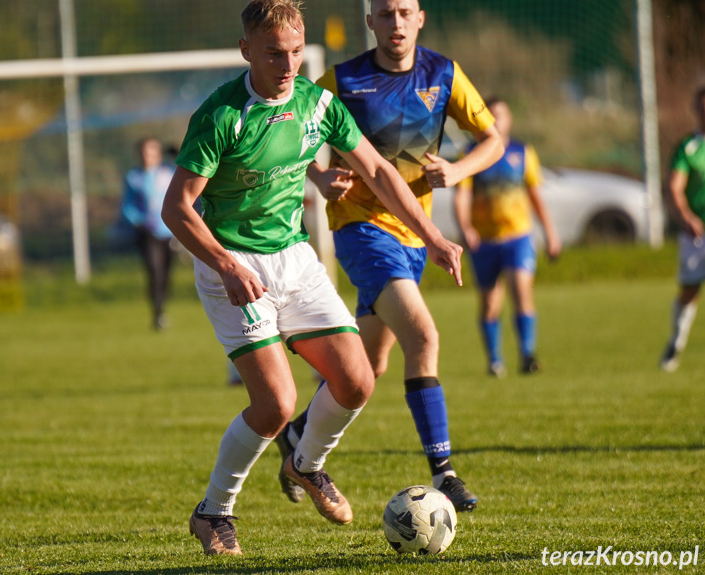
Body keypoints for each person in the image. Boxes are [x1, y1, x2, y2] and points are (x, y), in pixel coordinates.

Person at [161, 0, 463, 556]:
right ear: (246, 50)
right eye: (275, 53)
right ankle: (214, 512)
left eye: (297, 52)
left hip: (295, 259)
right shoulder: (221, 114)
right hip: (233, 265)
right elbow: (177, 208)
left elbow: (377, 170)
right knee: (276, 403)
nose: (288, 64)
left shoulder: (318, 103)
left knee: (356, 380)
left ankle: (307, 465)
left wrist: (434, 235)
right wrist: (226, 264)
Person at [275, 0, 503, 514]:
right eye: (385, 13)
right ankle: (444, 473)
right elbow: (294, 137)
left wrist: (461, 170)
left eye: (404, 12)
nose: (395, 23)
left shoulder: (443, 74)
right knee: (423, 335)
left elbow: (493, 139)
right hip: (360, 231)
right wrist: (317, 176)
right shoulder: (342, 79)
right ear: (370, 22)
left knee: (370, 366)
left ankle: (295, 439)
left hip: (414, 238)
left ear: (420, 18)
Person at [454, 97, 560, 377]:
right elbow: (462, 195)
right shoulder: (471, 153)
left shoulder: (522, 152)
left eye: (502, 115)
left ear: (510, 119)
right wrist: (466, 226)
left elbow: (535, 196)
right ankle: (495, 361)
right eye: (492, 115)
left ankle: (527, 355)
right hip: (485, 242)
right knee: (490, 303)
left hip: (518, 238)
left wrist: (550, 233)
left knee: (521, 292)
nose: (498, 120)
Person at [659, 86, 705, 372]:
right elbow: (675, 188)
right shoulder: (688, 148)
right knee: (690, 290)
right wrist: (686, 216)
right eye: (702, 106)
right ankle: (675, 344)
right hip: (698, 234)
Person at [117, 137, 176, 330]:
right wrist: (137, 221)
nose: (147, 156)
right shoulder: (134, 177)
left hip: (170, 231)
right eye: (143, 152)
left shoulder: (169, 172)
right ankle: (157, 313)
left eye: (151, 151)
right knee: (154, 271)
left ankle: (163, 306)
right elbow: (127, 205)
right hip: (148, 233)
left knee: (166, 273)